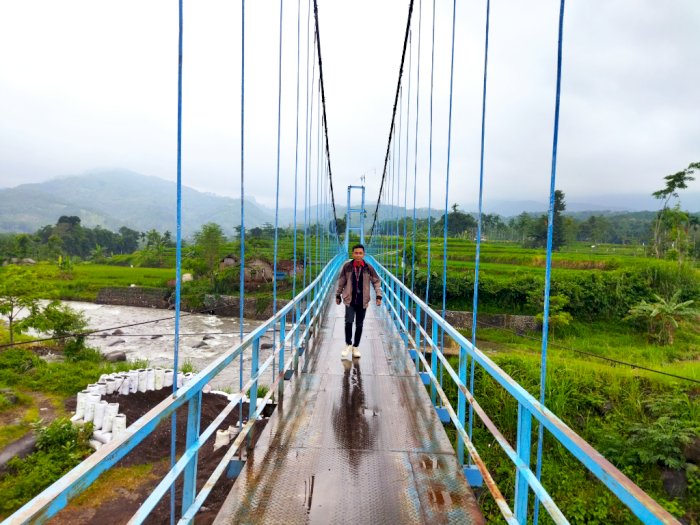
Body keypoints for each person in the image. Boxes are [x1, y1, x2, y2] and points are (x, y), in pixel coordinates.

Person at [335, 244, 382, 359]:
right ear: (352, 254)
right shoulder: (347, 266)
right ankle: (348, 344)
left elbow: (376, 281)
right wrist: (338, 294)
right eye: (356, 253)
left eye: (360, 253)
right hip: (349, 300)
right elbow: (341, 280)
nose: (358, 255)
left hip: (363, 301)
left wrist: (378, 296)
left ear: (363, 254)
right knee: (349, 322)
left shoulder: (368, 267)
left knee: (359, 324)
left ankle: (356, 347)